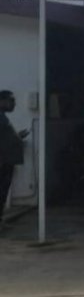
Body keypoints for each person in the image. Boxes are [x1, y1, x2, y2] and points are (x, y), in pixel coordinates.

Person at [0, 90, 30, 226]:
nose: (14, 104)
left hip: (7, 162)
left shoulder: (3, 118)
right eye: (11, 101)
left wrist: (18, 136)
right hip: (3, 163)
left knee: (3, 192)